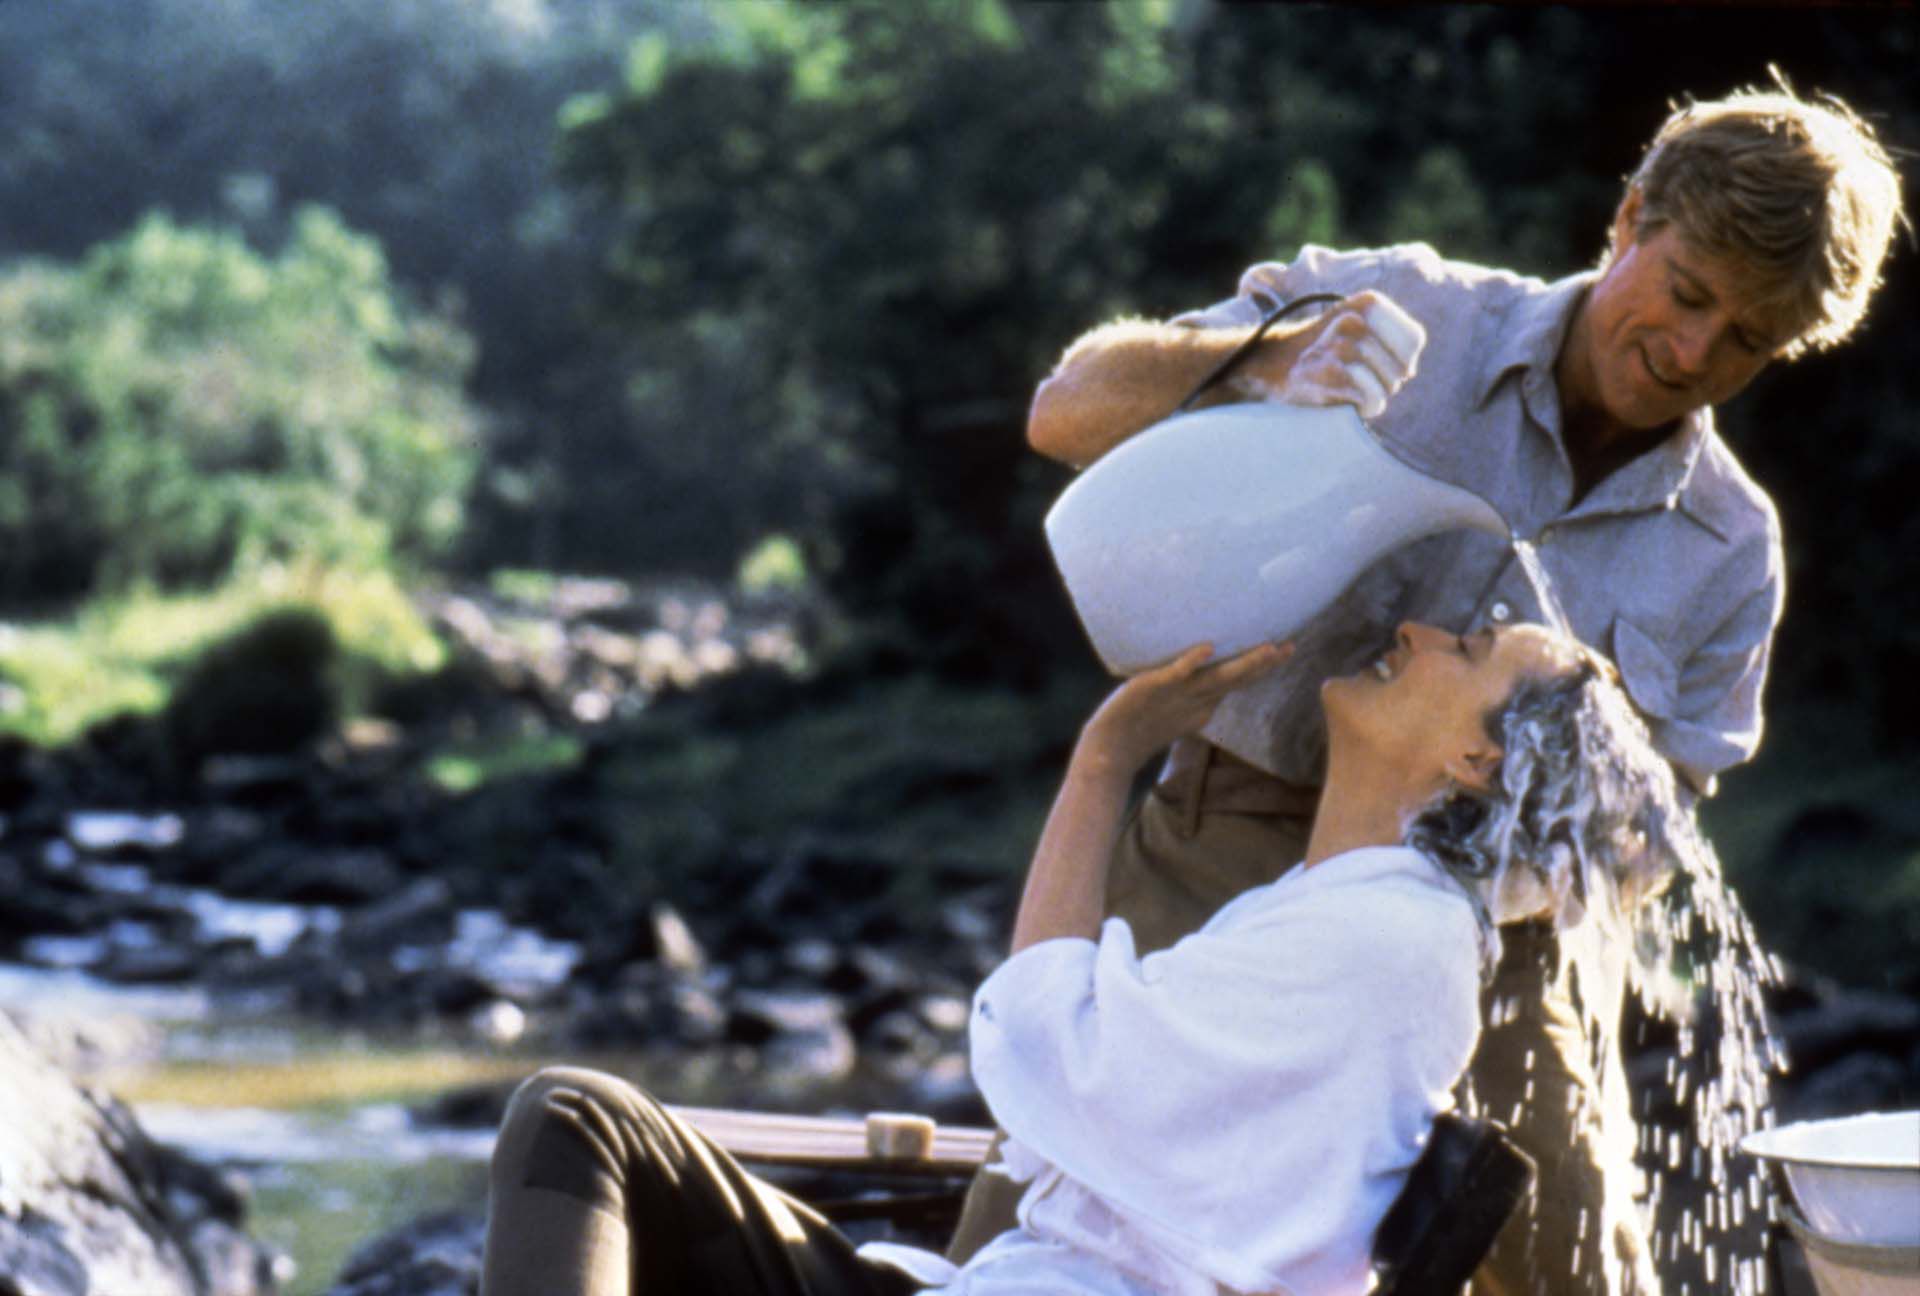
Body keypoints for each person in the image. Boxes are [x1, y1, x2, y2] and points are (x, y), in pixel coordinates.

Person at [949, 80, 1906, 1295]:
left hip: (1488, 943)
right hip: (1229, 838)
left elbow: (1648, 840)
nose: (1690, 356)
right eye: (1690, 295)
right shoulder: (1399, 310)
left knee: (1582, 1271)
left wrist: (1454, 893)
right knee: (1020, 1227)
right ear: (1627, 223)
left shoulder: (1730, 546)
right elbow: (1064, 413)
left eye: (1749, 343)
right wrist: (1265, 367)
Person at [478, 620, 1698, 1296]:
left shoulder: (1388, 939)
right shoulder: (1360, 916)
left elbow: (1043, 1046)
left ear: (1478, 764)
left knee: (579, 1121)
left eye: (1470, 646)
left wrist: (1102, 767)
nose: (1423, 628)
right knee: (594, 1135)